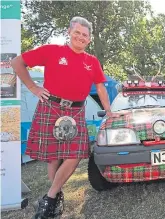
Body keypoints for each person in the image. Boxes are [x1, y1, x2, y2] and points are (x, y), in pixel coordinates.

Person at [11, 16, 118, 218]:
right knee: (53, 158)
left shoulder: (92, 61)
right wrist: (33, 87)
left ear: (89, 39)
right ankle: (55, 199)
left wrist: (109, 110)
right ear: (69, 32)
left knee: (75, 155)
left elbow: (101, 87)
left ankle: (50, 197)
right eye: (77, 32)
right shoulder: (52, 51)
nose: (80, 37)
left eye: (85, 35)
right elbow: (18, 62)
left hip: (76, 111)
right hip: (51, 107)